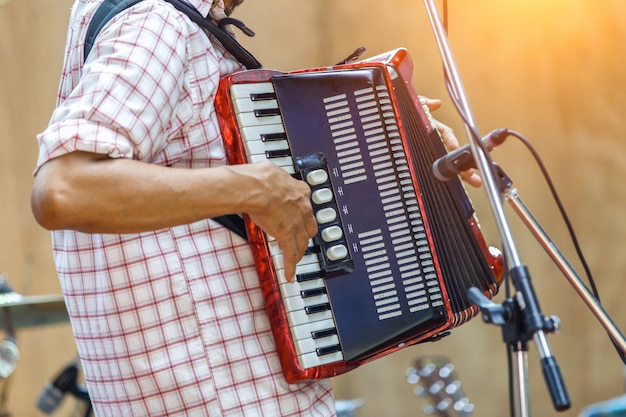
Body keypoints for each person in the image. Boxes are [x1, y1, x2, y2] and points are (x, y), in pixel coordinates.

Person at [31, 0, 480, 415]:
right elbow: (65, 188)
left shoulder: (173, 22)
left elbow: (197, 159)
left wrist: (397, 135)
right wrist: (254, 189)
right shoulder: (157, 20)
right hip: (222, 397)